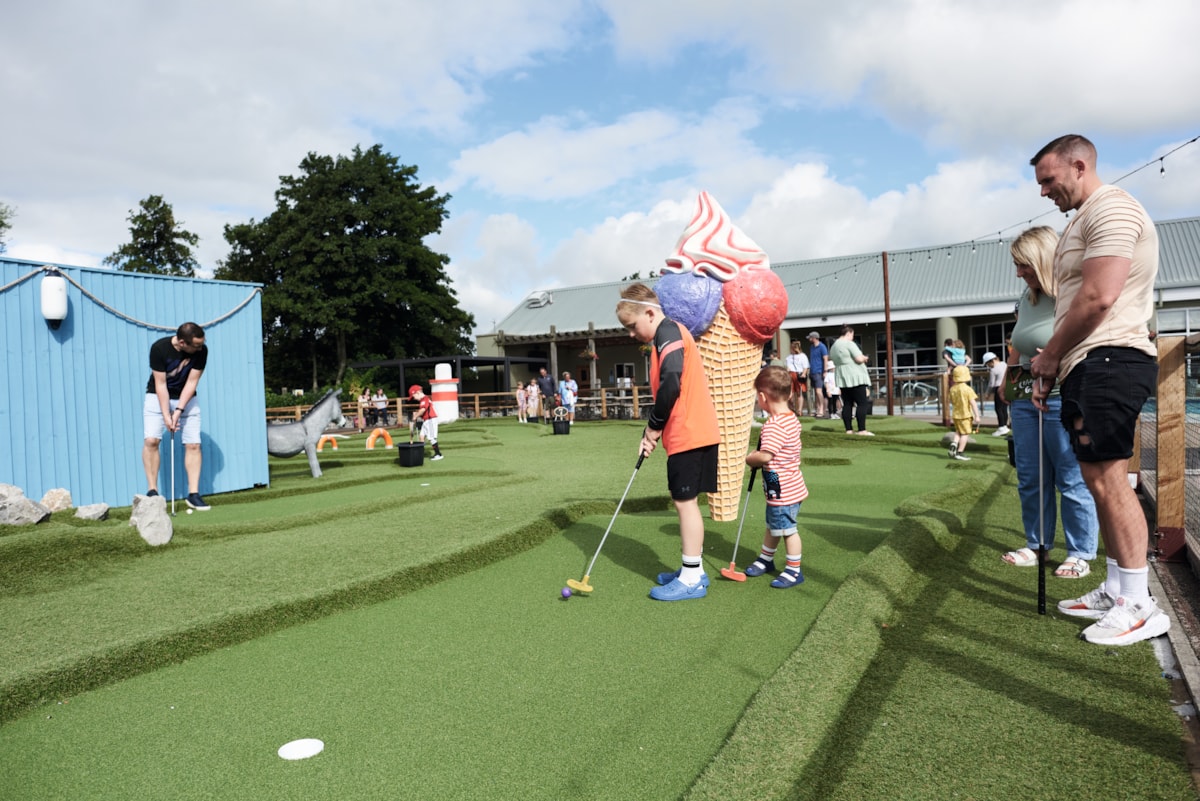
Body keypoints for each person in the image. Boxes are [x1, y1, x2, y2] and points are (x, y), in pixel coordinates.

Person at [1028, 134, 1166, 645]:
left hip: (1112, 357)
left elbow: (1100, 296)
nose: (1044, 191)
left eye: (1049, 179)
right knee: (1096, 480)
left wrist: (1048, 355)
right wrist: (1055, 365)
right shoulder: (1081, 219)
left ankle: (1138, 603)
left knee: (1109, 479)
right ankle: (1115, 586)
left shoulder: (1112, 209)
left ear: (1079, 165)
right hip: (1090, 362)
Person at [1004, 225, 1098, 579]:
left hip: (1064, 396)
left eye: (1024, 265)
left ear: (1042, 259)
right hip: (1026, 396)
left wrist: (1058, 355)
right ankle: (1038, 544)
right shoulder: (1027, 297)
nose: (1019, 272)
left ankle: (1080, 552)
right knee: (1030, 475)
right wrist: (1008, 375)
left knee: (1070, 476)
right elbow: (1020, 341)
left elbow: (1091, 338)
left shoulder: (1074, 291)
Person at [616, 282, 720, 601]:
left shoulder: (668, 332)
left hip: (690, 432)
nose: (632, 334)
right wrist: (656, 431)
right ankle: (694, 570)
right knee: (684, 501)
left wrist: (652, 428)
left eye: (633, 327)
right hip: (686, 432)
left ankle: (691, 579)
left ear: (650, 312)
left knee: (684, 502)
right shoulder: (667, 335)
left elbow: (671, 382)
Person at [743, 366, 808, 588]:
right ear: (789, 394)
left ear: (762, 397)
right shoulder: (790, 418)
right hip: (781, 483)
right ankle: (766, 558)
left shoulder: (774, 426)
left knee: (788, 530)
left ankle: (793, 570)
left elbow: (766, 456)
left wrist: (750, 458)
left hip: (784, 488)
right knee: (773, 524)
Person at [143, 322, 210, 510]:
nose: (200, 348)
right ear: (182, 342)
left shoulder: (202, 351)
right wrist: (166, 415)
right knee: (151, 441)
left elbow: (192, 382)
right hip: (156, 396)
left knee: (193, 444)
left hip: (187, 399)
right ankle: (152, 492)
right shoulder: (159, 348)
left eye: (201, 344)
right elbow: (160, 384)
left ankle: (194, 494)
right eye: (195, 345)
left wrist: (178, 411)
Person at [828, 324, 873, 436]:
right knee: (862, 403)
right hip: (855, 375)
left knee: (847, 403)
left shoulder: (833, 346)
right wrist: (865, 358)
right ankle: (862, 430)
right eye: (852, 335)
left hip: (842, 376)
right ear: (848, 333)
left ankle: (848, 429)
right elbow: (858, 359)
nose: (852, 337)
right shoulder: (849, 343)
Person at [947, 365, 981, 461]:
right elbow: (973, 403)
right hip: (965, 415)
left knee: (958, 431)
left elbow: (951, 401)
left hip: (956, 415)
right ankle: (960, 452)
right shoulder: (967, 389)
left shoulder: (952, 389)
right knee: (965, 434)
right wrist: (977, 416)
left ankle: (954, 443)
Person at [408, 385, 444, 460]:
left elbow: (423, 410)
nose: (414, 398)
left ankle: (438, 454)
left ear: (417, 393)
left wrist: (415, 416)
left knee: (431, 438)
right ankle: (420, 454)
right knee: (421, 436)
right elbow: (422, 411)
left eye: (413, 396)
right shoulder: (422, 400)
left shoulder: (425, 399)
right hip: (426, 421)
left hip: (430, 420)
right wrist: (417, 414)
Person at [983, 352, 1010, 436]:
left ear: (991, 361)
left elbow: (991, 383)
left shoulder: (993, 370)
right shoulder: (1004, 364)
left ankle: (1001, 427)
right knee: (1004, 408)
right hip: (1007, 387)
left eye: (988, 364)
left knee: (998, 408)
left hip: (998, 388)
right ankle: (1005, 426)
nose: (988, 366)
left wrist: (987, 393)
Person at [807, 331, 829, 418]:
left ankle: (822, 409)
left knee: (819, 391)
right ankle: (817, 408)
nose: (809, 339)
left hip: (819, 371)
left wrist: (825, 370)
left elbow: (825, 359)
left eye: (810, 337)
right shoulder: (812, 347)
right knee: (815, 392)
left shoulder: (822, 347)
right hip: (812, 371)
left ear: (814, 338)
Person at [785, 341, 810, 415]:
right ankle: (792, 409)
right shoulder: (789, 357)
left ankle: (799, 410)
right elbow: (787, 367)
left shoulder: (803, 356)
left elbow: (806, 367)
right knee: (790, 393)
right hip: (791, 374)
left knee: (800, 393)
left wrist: (804, 374)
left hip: (799, 374)